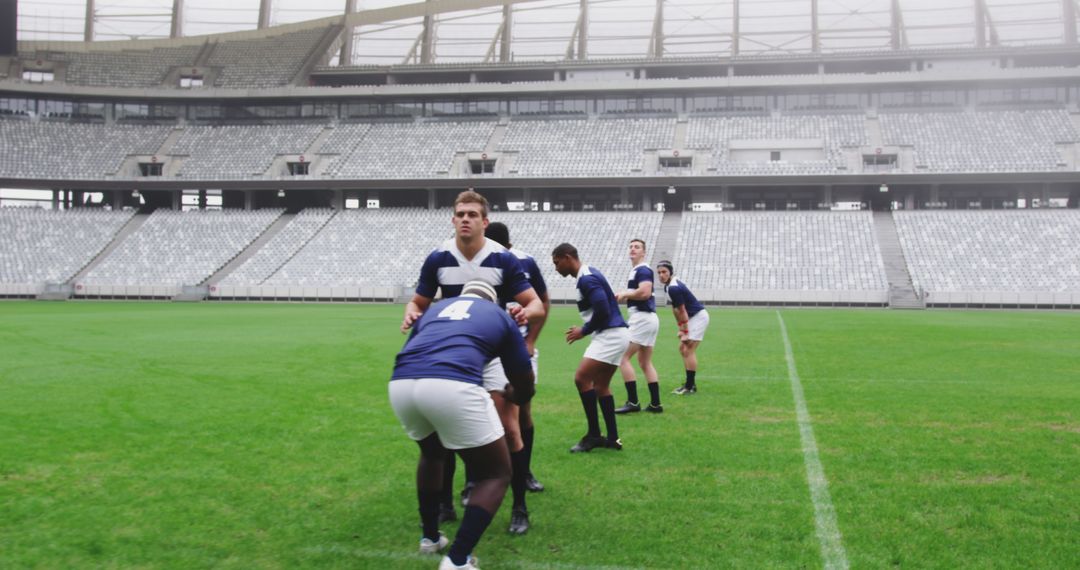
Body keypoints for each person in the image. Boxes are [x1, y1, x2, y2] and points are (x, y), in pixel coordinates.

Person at [402, 190, 545, 525]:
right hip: (453, 353)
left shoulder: (502, 259)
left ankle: (519, 507)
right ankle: (445, 505)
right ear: (453, 219)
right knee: (445, 426)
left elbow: (536, 303)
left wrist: (525, 313)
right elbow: (418, 302)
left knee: (509, 427)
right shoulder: (438, 258)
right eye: (460, 213)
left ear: (485, 221)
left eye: (472, 214)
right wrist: (411, 313)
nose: (465, 218)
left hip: (492, 351)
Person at [390, 280, 536, 570]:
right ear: (492, 300)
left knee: (432, 455)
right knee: (495, 474)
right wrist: (515, 395)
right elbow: (524, 378)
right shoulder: (498, 316)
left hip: (402, 383)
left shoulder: (436, 309)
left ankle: (430, 537)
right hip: (451, 384)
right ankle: (458, 560)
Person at [479, 221, 549, 534]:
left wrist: (531, 339)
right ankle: (477, 480)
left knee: (519, 416)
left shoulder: (523, 262)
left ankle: (523, 479)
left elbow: (542, 302)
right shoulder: (473, 264)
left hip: (517, 348)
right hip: (482, 351)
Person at [551, 242, 630, 452]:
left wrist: (583, 331)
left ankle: (594, 435)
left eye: (557, 263)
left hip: (610, 335)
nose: (556, 268)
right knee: (601, 385)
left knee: (581, 378)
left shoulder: (587, 278)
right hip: (616, 333)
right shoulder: (588, 274)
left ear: (568, 257)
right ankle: (612, 438)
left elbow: (603, 308)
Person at [614, 238, 663, 414]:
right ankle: (655, 404)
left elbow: (645, 292)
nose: (633, 249)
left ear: (644, 252)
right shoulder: (638, 270)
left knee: (622, 357)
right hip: (649, 319)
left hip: (641, 318)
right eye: (631, 247)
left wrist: (625, 294)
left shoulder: (642, 269)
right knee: (644, 362)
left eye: (637, 247)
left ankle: (633, 402)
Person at [656, 260, 710, 394]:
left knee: (688, 350)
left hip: (698, 317)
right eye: (659, 273)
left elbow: (682, 310)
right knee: (683, 349)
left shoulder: (674, 287)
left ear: (671, 272)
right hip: (691, 318)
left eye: (664, 272)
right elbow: (675, 310)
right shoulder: (668, 286)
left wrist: (685, 331)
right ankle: (689, 384)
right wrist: (680, 328)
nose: (661, 275)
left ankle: (690, 386)